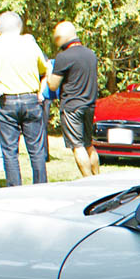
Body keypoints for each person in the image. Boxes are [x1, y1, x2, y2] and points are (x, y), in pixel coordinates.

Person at [0, 11, 51, 186]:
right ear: (20, 27)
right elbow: (45, 69)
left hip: (5, 101)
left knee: (9, 150)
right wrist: (41, 91)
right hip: (30, 99)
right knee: (36, 149)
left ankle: (15, 188)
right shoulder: (30, 45)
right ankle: (41, 186)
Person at [44, 21, 99, 177]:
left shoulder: (64, 57)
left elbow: (53, 85)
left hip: (71, 107)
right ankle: (98, 177)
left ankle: (87, 180)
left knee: (77, 146)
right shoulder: (90, 54)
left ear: (61, 38)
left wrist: (48, 70)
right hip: (89, 105)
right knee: (88, 144)